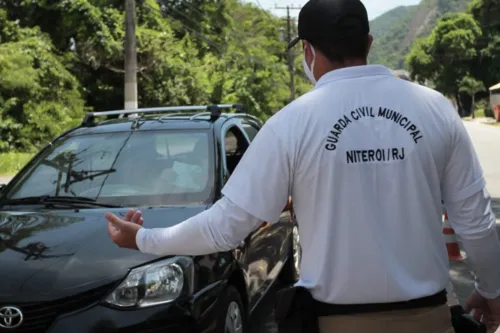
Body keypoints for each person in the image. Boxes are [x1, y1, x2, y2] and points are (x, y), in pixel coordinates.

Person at [104, 0, 500, 332]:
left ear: (308, 52)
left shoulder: (291, 123)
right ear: (369, 42)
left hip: (333, 323)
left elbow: (224, 227)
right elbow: (476, 224)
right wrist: (492, 290)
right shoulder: (436, 110)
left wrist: (143, 239)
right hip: (429, 321)